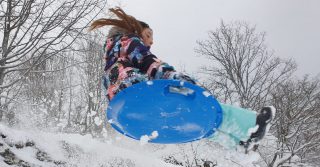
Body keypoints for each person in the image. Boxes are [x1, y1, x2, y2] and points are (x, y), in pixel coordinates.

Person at [90, 7, 274, 150]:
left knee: (195, 117)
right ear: (136, 31)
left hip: (126, 110)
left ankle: (238, 145)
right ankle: (252, 124)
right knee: (198, 104)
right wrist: (181, 80)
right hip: (138, 90)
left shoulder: (110, 56)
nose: (151, 42)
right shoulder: (128, 41)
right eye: (148, 35)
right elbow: (152, 65)